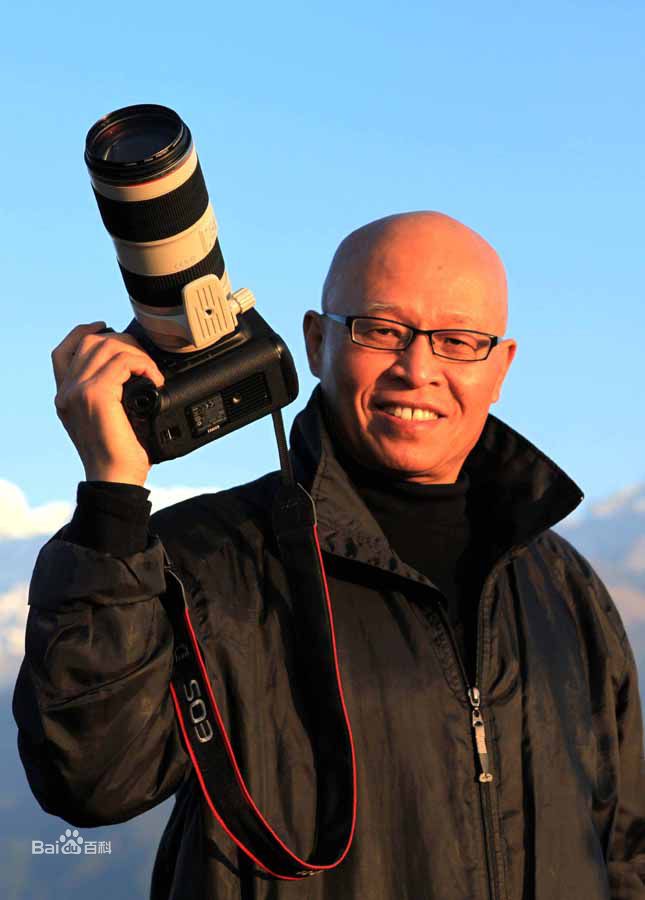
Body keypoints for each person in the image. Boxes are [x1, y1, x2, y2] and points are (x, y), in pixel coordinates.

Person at [13, 211, 645, 899]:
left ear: (500, 366)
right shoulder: (201, 559)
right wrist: (112, 498)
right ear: (316, 342)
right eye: (382, 330)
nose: (418, 369)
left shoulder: (564, 588)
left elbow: (624, 850)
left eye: (459, 341)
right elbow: (93, 779)